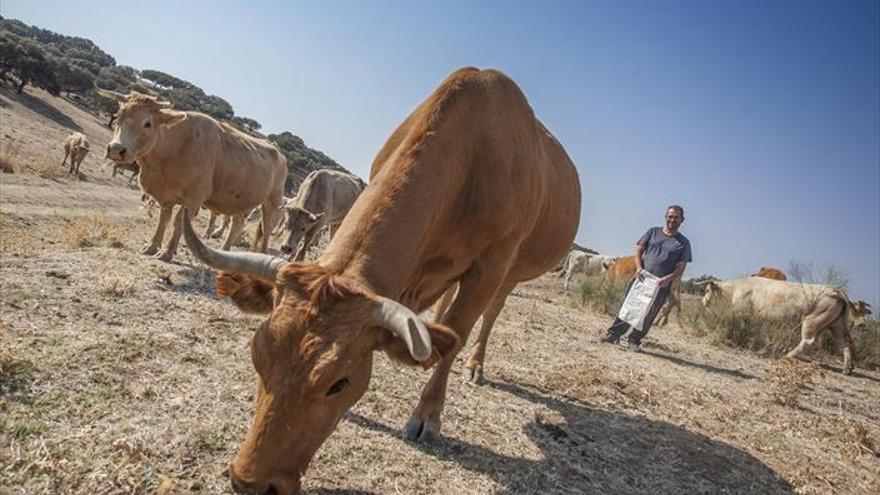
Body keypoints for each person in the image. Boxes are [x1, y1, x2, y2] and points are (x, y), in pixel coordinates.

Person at [600, 205, 692, 351]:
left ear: (682, 220)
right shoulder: (653, 232)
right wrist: (638, 268)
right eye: (670, 216)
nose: (672, 220)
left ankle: (634, 341)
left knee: (649, 314)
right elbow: (639, 250)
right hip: (642, 277)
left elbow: (681, 267)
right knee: (628, 306)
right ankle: (613, 334)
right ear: (665, 217)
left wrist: (669, 278)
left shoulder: (683, 243)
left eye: (676, 217)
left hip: (661, 284)